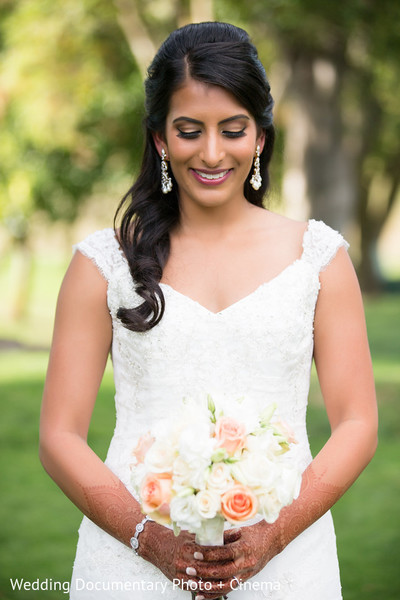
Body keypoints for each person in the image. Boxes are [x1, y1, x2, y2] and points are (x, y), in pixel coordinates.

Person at [39, 21, 378, 600]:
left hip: (288, 562)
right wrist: (151, 541)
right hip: (131, 563)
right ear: (160, 140)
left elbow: (358, 424)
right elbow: (58, 437)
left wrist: (274, 535)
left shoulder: (317, 258)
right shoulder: (103, 264)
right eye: (190, 131)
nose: (213, 153)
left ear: (262, 137)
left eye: (234, 129)